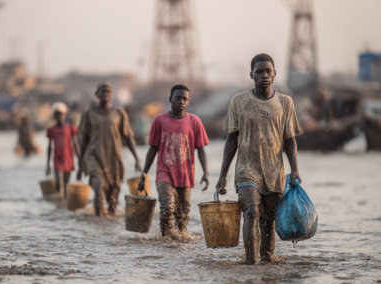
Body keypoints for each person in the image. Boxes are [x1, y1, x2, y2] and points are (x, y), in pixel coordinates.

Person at [215, 53, 301, 265]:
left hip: (274, 173)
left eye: (268, 71)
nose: (264, 75)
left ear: (274, 74)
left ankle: (266, 263)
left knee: (268, 222)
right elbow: (231, 140)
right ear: (251, 74)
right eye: (259, 71)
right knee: (252, 211)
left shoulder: (285, 102)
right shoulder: (239, 101)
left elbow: (290, 140)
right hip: (246, 171)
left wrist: (295, 169)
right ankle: (250, 264)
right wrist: (223, 174)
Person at [138, 84, 209, 239]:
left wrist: (206, 172)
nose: (181, 102)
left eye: (185, 99)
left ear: (188, 102)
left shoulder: (194, 121)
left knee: (182, 213)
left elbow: (201, 149)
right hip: (164, 172)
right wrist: (143, 175)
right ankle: (166, 239)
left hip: (185, 174)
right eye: (178, 98)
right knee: (168, 205)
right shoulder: (159, 120)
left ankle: (179, 240)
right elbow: (152, 149)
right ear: (170, 99)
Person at [77, 82, 142, 217]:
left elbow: (128, 137)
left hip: (113, 159)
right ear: (97, 95)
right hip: (94, 157)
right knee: (98, 187)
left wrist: (137, 159)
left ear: (112, 95)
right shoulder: (89, 115)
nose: (105, 94)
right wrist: (80, 162)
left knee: (113, 198)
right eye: (102, 91)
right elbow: (83, 139)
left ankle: (109, 229)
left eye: (108, 92)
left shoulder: (119, 113)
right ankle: (98, 224)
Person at [46, 102, 77, 199]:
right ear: (54, 116)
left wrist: (81, 159)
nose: (59, 116)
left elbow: (75, 144)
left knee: (66, 183)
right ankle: (58, 196)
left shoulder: (70, 128)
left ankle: (64, 202)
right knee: (59, 181)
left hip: (68, 158)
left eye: (61, 114)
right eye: (57, 114)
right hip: (57, 158)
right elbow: (49, 147)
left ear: (64, 115)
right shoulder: (52, 130)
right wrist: (47, 165)